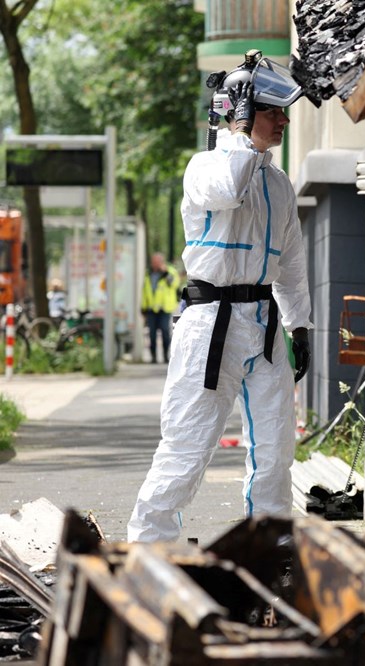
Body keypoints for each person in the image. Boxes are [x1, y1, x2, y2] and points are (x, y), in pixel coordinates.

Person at [128, 51, 312, 542]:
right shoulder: (205, 166)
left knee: (275, 448)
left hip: (265, 323)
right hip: (211, 323)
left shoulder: (278, 184)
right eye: (273, 111)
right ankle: (150, 546)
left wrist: (300, 325)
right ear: (244, 112)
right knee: (187, 445)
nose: (285, 121)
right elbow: (230, 188)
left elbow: (291, 263)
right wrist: (240, 131)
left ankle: (273, 546)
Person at [141, 252, 180, 363]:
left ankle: (165, 355)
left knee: (165, 332)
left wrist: (165, 273)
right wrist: (143, 307)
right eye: (153, 262)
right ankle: (153, 356)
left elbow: (174, 285)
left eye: (157, 262)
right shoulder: (148, 274)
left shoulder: (170, 272)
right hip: (151, 309)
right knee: (152, 334)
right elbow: (145, 292)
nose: (155, 265)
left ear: (162, 262)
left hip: (165, 308)